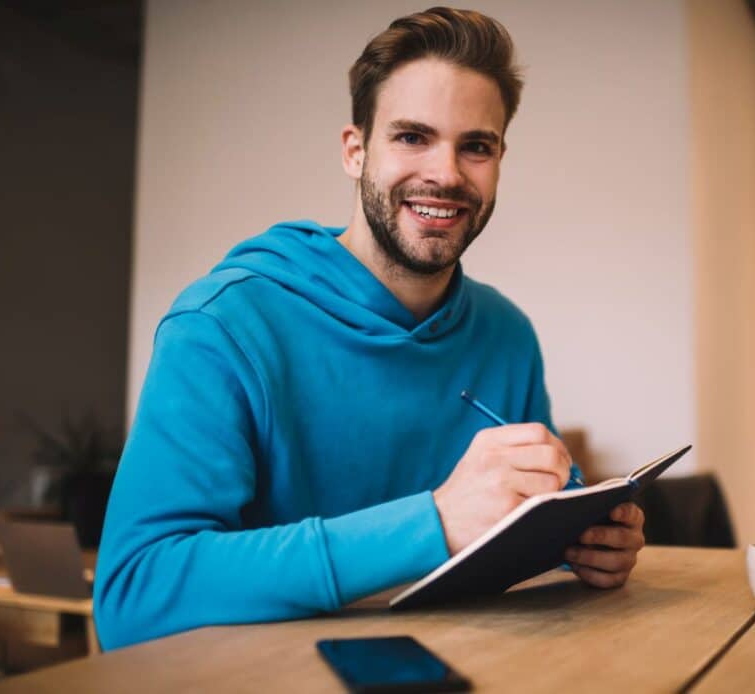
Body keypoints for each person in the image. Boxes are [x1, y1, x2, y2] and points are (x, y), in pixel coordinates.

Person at [94, 6, 645, 651]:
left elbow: (515, 537)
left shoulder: (507, 334)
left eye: (476, 145)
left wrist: (580, 544)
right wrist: (431, 523)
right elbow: (132, 596)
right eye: (413, 137)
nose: (446, 173)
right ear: (356, 152)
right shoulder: (220, 327)